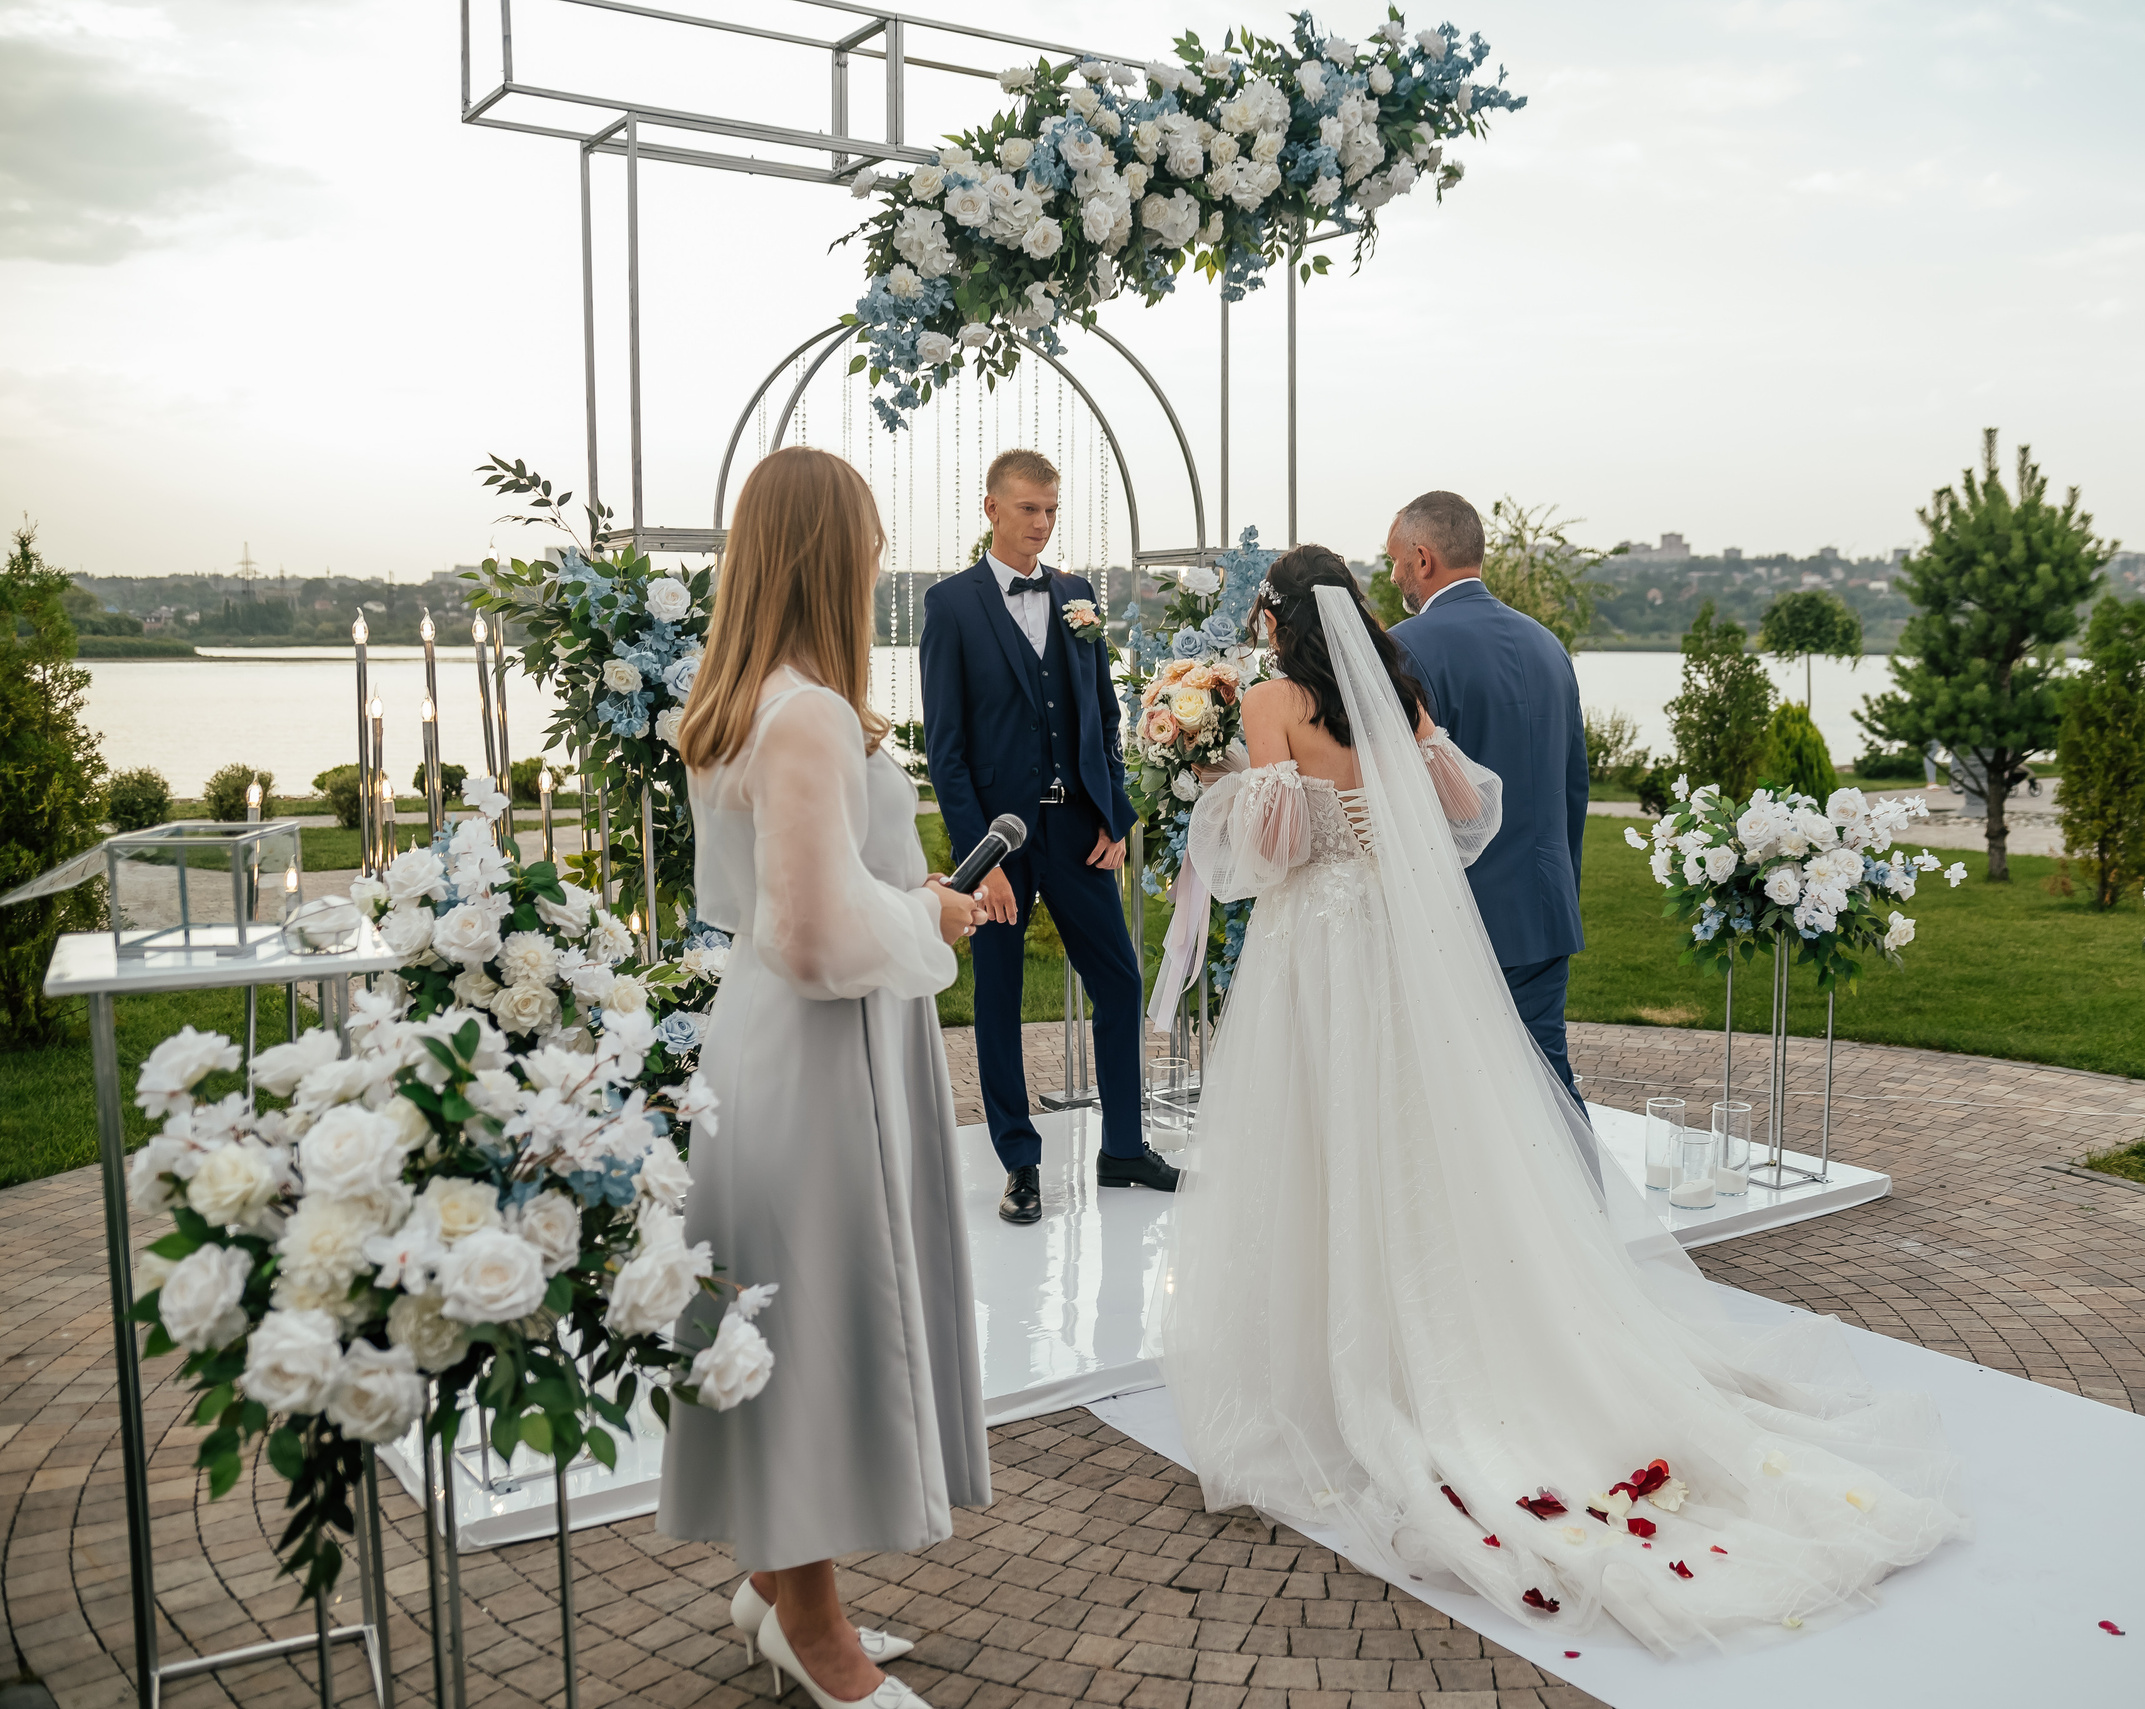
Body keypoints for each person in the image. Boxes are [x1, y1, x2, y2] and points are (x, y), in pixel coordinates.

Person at [1161, 548, 1965, 1657]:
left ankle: (1343, 1355)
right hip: (1398, 936)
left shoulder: (1270, 701)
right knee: (1418, 1129)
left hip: (1316, 942)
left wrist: (1230, 792)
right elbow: (1458, 806)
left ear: (1273, 616)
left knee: (1318, 1133)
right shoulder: (1399, 690)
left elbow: (1280, 847)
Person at [661, 447, 990, 1709]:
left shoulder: (742, 698)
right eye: (868, 540)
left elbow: (789, 893)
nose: (878, 561)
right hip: (815, 1049)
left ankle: (774, 1584)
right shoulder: (803, 712)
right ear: (828, 554)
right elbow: (808, 935)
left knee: (781, 1314)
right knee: (801, 1329)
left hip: (779, 1041)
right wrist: (931, 918)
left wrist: (907, 891)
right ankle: (814, 1629)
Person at [919, 448, 1178, 1225]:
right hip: (999, 843)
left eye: (1052, 509)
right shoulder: (949, 605)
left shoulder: (1078, 596)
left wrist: (1114, 815)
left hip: (1076, 830)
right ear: (992, 508)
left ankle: (1123, 1146)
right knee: (997, 997)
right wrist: (980, 863)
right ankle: (1020, 1162)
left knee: (1121, 982)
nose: (1042, 523)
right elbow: (946, 751)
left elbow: (1102, 712)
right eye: (1029, 508)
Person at [1386, 491, 1592, 1122]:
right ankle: (1581, 1186)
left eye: (1395, 561)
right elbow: (1573, 787)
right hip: (1544, 905)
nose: (1392, 576)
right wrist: (1561, 885)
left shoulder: (1402, 649)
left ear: (1423, 559)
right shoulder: (1548, 645)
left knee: (1452, 1097)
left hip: (1456, 916)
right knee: (1548, 1082)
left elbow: (1396, 794)